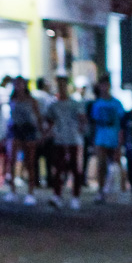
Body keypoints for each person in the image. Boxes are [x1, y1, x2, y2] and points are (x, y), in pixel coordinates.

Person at [45, 75, 86, 209]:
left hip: (74, 140)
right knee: (58, 168)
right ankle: (57, 195)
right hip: (59, 140)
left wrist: (80, 131)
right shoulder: (53, 105)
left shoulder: (75, 103)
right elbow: (49, 121)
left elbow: (82, 119)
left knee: (75, 169)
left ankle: (75, 197)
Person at [89, 77, 126, 204]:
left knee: (118, 164)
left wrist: (120, 141)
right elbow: (94, 123)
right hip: (101, 137)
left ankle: (122, 191)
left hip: (114, 137)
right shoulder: (97, 104)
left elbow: (122, 123)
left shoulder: (117, 103)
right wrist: (93, 140)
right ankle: (101, 192)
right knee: (101, 165)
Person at [8, 77, 43, 205]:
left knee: (30, 161)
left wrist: (41, 133)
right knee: (11, 160)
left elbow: (38, 117)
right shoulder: (12, 99)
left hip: (29, 130)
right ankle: (12, 191)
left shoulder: (31, 100)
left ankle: (31, 192)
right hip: (16, 130)